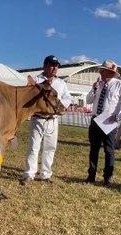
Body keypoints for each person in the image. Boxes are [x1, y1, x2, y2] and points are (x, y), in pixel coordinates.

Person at [21, 55, 72, 185]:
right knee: (34, 147)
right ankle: (29, 173)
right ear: (45, 66)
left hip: (52, 119)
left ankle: (46, 174)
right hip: (38, 118)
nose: (54, 68)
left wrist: (58, 106)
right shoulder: (36, 80)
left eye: (56, 66)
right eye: (52, 65)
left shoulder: (61, 83)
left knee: (50, 147)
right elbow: (27, 96)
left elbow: (68, 98)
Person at [85, 59, 121, 188]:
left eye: (111, 72)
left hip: (109, 122)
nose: (107, 74)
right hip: (96, 120)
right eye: (106, 71)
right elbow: (89, 100)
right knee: (94, 149)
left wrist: (119, 116)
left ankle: (107, 178)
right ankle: (91, 175)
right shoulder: (98, 84)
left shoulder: (120, 85)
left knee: (109, 150)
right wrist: (93, 89)